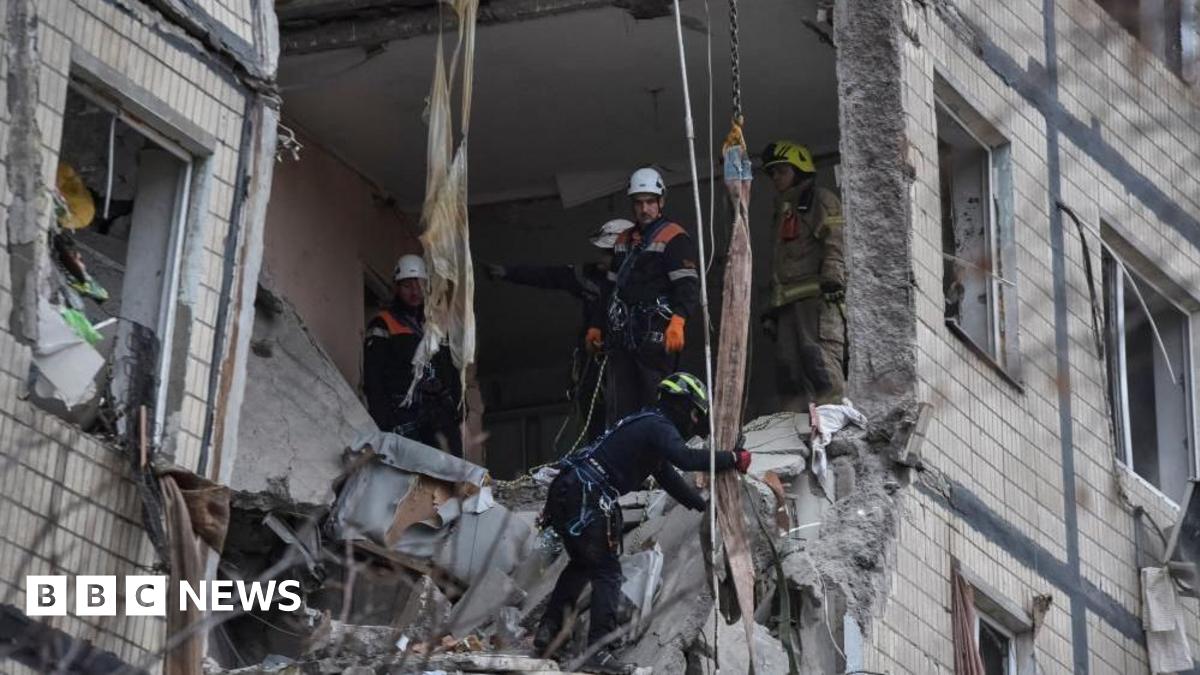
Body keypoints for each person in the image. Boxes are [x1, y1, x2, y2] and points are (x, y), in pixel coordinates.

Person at [533, 372, 751, 671]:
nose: (694, 420)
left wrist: (700, 505)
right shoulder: (659, 426)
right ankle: (599, 652)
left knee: (582, 565)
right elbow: (685, 459)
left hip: (569, 489)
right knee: (608, 573)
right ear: (682, 405)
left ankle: (547, 634)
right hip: (587, 494)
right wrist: (732, 458)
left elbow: (667, 475)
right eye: (694, 412)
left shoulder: (647, 423)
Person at [484, 219, 635, 444]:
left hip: (628, 361)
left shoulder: (641, 281)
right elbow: (550, 276)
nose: (602, 257)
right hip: (593, 360)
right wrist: (508, 272)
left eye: (608, 252)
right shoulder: (588, 277)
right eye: (603, 251)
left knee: (630, 418)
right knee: (594, 416)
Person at [591, 168, 701, 427]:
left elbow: (687, 285)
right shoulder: (623, 241)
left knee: (656, 402)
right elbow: (609, 290)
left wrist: (679, 320)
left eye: (650, 201)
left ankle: (660, 459)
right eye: (639, 202)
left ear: (661, 201)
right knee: (621, 408)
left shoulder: (673, 237)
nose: (645, 208)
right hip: (624, 335)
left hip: (656, 334)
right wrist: (596, 324)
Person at [759, 141, 847, 411]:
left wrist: (834, 278)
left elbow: (836, 239)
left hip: (816, 302)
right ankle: (793, 427)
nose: (775, 178)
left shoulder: (821, 200)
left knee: (818, 359)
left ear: (800, 170)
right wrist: (771, 310)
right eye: (772, 173)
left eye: (781, 171)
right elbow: (779, 264)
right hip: (788, 307)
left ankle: (832, 417)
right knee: (788, 368)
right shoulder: (784, 209)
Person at [363, 254, 463, 454]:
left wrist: (457, 404)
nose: (414, 291)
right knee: (417, 475)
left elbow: (451, 368)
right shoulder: (384, 323)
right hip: (404, 415)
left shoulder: (436, 326)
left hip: (439, 414)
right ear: (397, 288)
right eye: (407, 286)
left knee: (451, 472)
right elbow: (373, 377)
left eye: (419, 285)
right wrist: (385, 422)